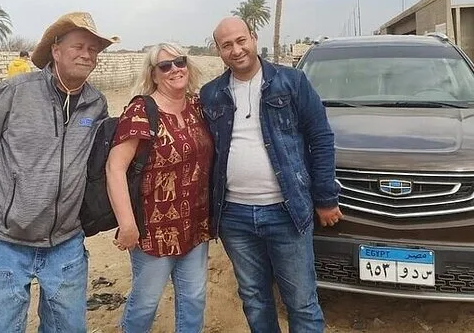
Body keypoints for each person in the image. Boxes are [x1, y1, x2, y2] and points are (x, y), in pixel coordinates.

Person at [0, 11, 119, 333]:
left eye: (93, 49)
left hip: (66, 245)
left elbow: (98, 167)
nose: (87, 55)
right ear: (56, 51)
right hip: (4, 243)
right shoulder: (16, 91)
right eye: (78, 46)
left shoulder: (96, 104)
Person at [200, 17, 342, 333]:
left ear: (254, 38)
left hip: (286, 211)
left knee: (301, 302)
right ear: (218, 51)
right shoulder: (211, 94)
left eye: (241, 40)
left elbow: (320, 137)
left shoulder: (292, 82)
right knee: (254, 299)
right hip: (234, 216)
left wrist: (325, 197)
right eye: (227, 45)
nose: (236, 50)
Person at [106, 43, 213, 333]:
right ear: (153, 75)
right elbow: (115, 168)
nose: (175, 69)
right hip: (154, 229)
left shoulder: (197, 107)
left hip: (195, 225)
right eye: (165, 66)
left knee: (194, 299)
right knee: (146, 302)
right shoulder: (141, 111)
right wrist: (127, 224)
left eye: (180, 62)